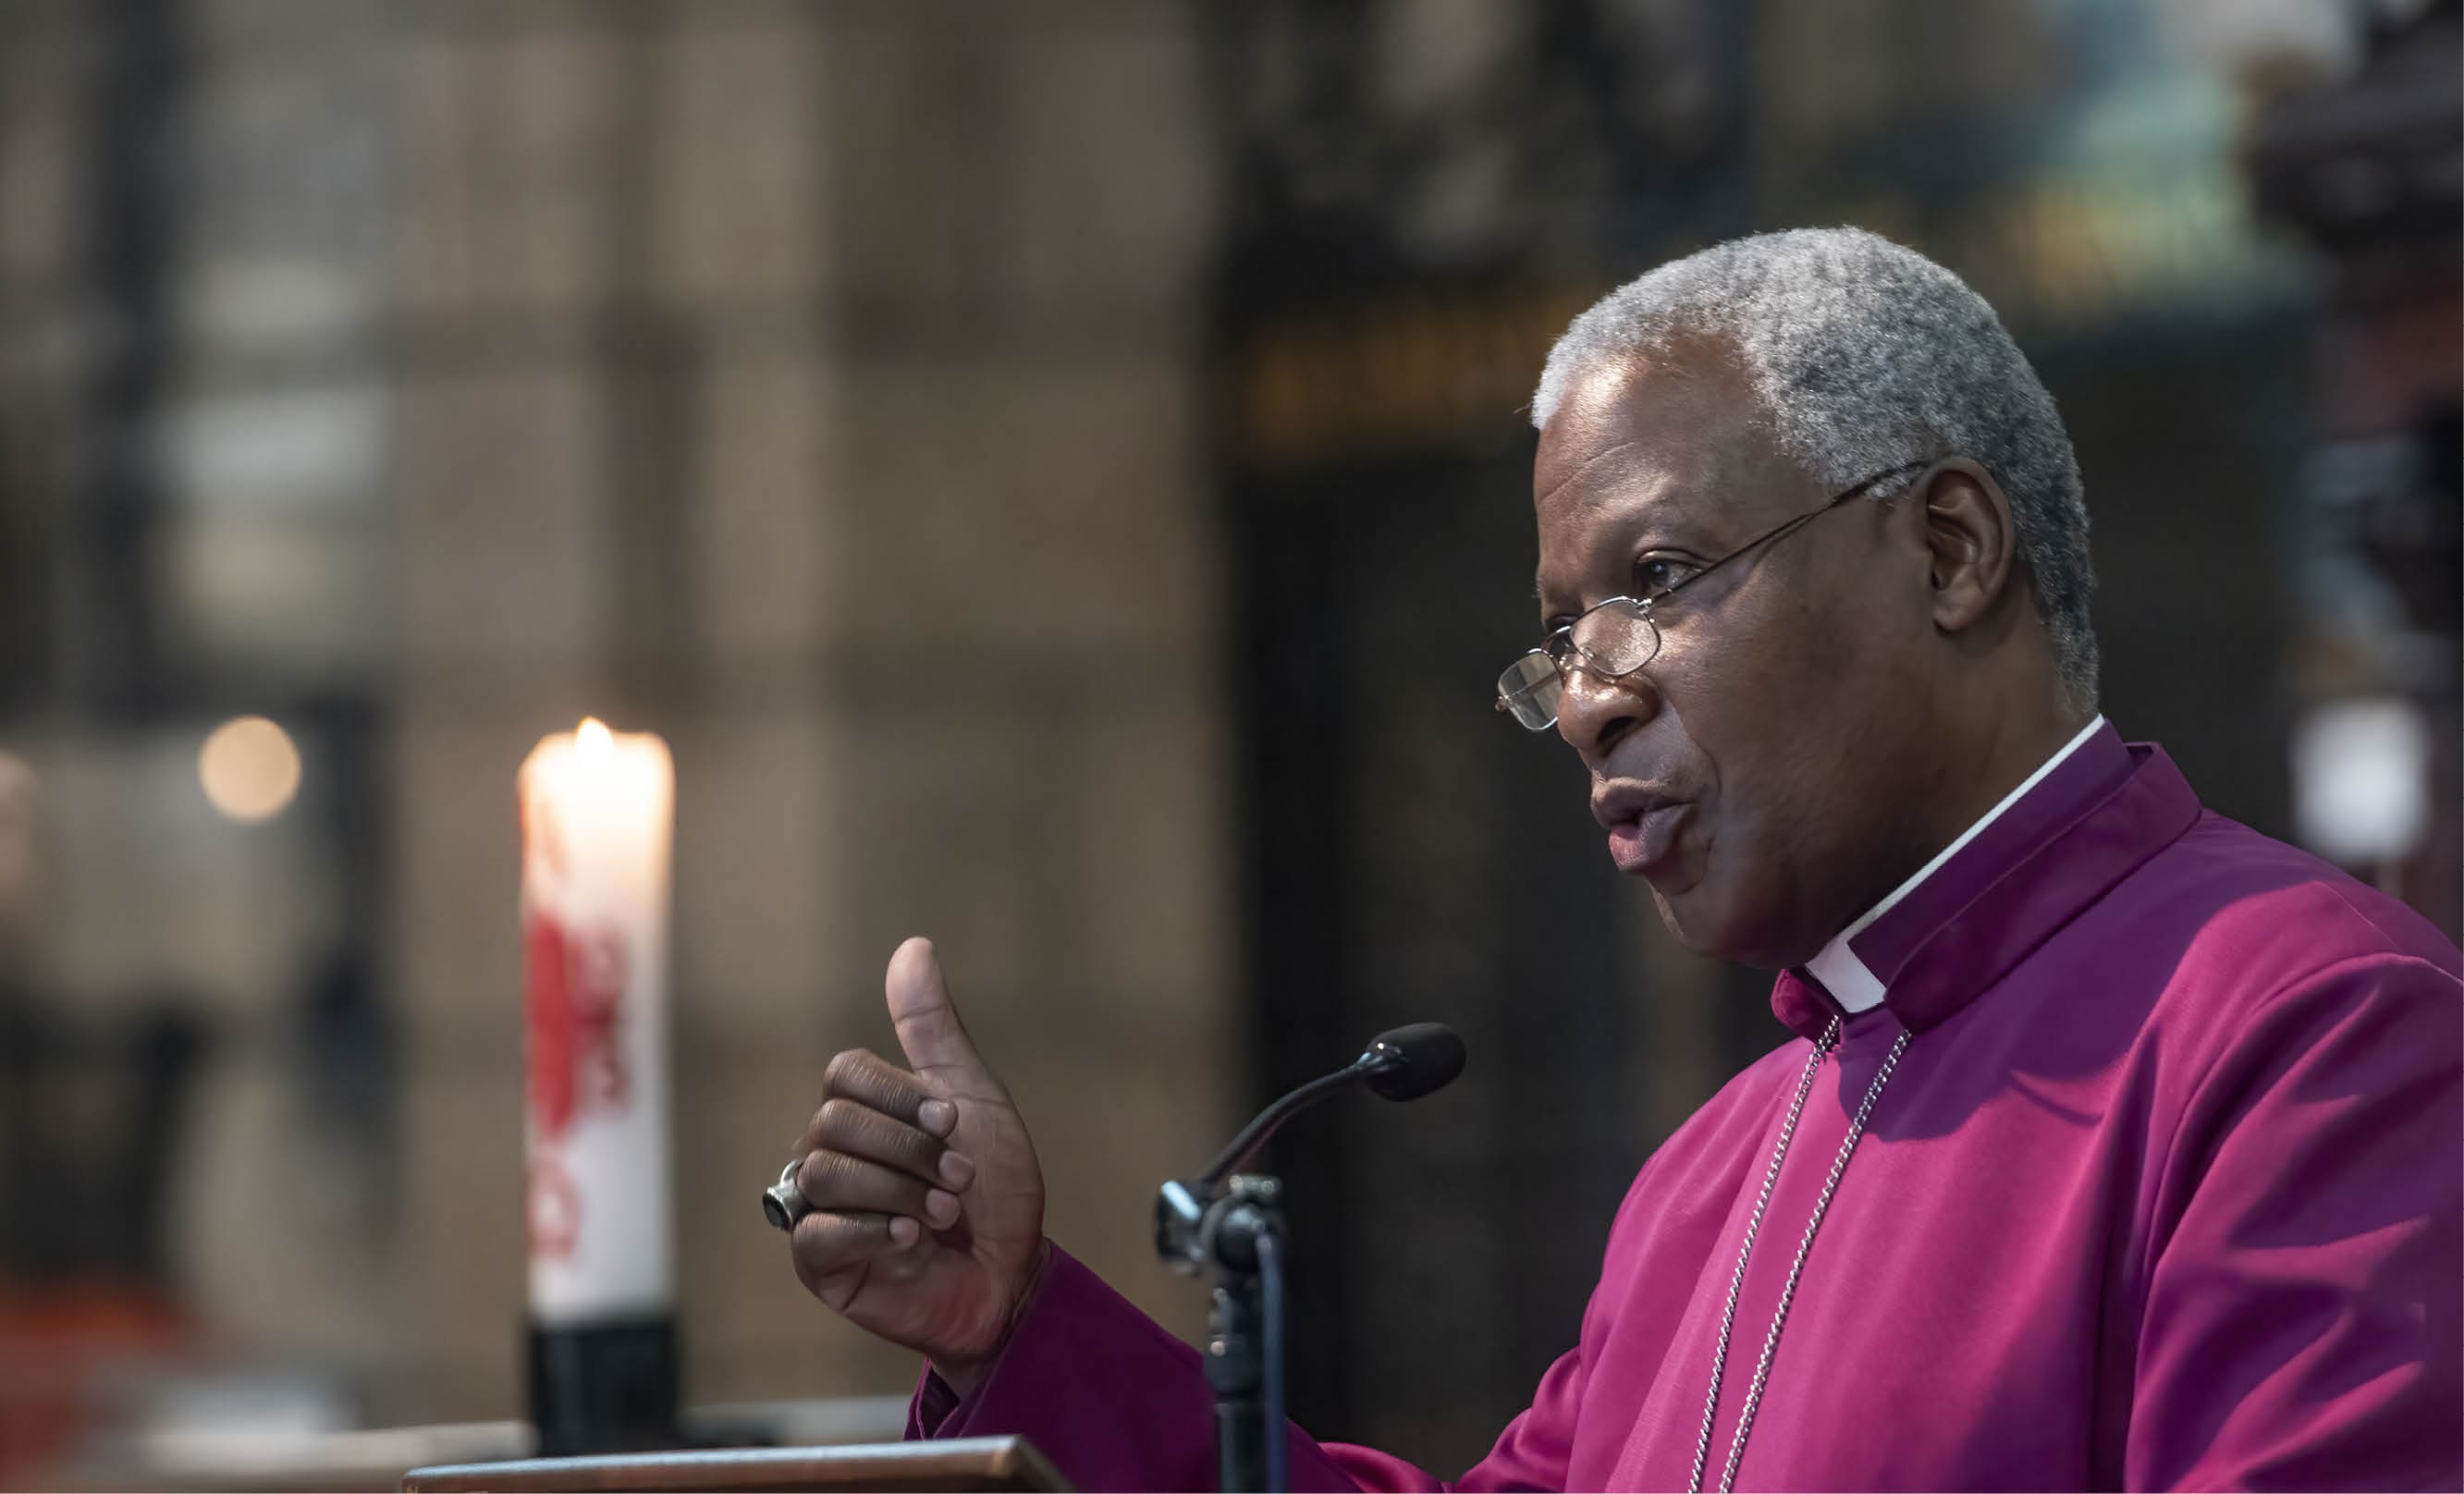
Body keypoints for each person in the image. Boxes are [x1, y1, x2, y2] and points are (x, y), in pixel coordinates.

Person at [779, 229, 2462, 1490]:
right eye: (1559, 636)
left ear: (1948, 550)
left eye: (1655, 580)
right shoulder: (1714, 1172)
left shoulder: (2306, 1027)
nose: (1587, 697)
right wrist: (1020, 1336)